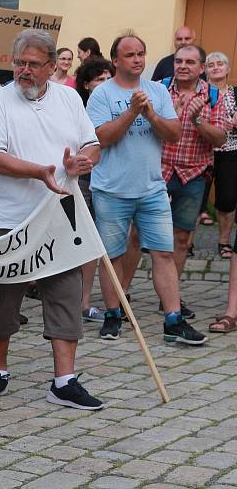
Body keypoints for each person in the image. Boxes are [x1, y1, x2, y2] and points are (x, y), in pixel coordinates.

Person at [0, 29, 104, 410]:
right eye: (19, 63)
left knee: (65, 293)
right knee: (1, 300)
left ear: (50, 67)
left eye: (33, 64)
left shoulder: (68, 98)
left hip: (60, 217)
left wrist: (84, 161)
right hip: (8, 218)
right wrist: (40, 171)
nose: (24, 70)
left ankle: (64, 381)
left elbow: (91, 143)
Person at [86, 33, 208, 346]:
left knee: (164, 254)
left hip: (152, 189)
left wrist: (150, 112)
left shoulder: (157, 91)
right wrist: (130, 112)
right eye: (130, 55)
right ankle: (113, 315)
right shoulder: (102, 94)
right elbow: (102, 137)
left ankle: (173, 320)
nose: (138, 60)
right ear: (115, 60)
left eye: (141, 53)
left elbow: (174, 133)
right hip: (112, 189)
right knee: (112, 257)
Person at [159, 45, 229, 316]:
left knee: (181, 238)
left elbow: (220, 138)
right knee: (137, 234)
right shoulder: (160, 89)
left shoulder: (213, 95)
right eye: (178, 61)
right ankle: (122, 299)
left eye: (190, 61)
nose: (183, 66)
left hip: (194, 175)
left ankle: (169, 298)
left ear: (202, 68)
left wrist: (198, 120)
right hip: (158, 172)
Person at [73, 57, 114, 324]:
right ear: (87, 84)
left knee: (104, 243)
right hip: (85, 178)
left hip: (111, 178)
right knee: (83, 239)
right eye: (98, 78)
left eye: (107, 78)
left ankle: (97, 300)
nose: (104, 83)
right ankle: (77, 299)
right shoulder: (77, 108)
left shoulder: (117, 106)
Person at [204, 52, 237, 262]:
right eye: (211, 65)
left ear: (228, 69)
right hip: (202, 152)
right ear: (205, 70)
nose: (216, 67)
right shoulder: (201, 92)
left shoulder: (235, 94)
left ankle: (224, 241)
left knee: (227, 199)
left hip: (230, 151)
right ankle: (185, 243)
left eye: (220, 64)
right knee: (195, 200)